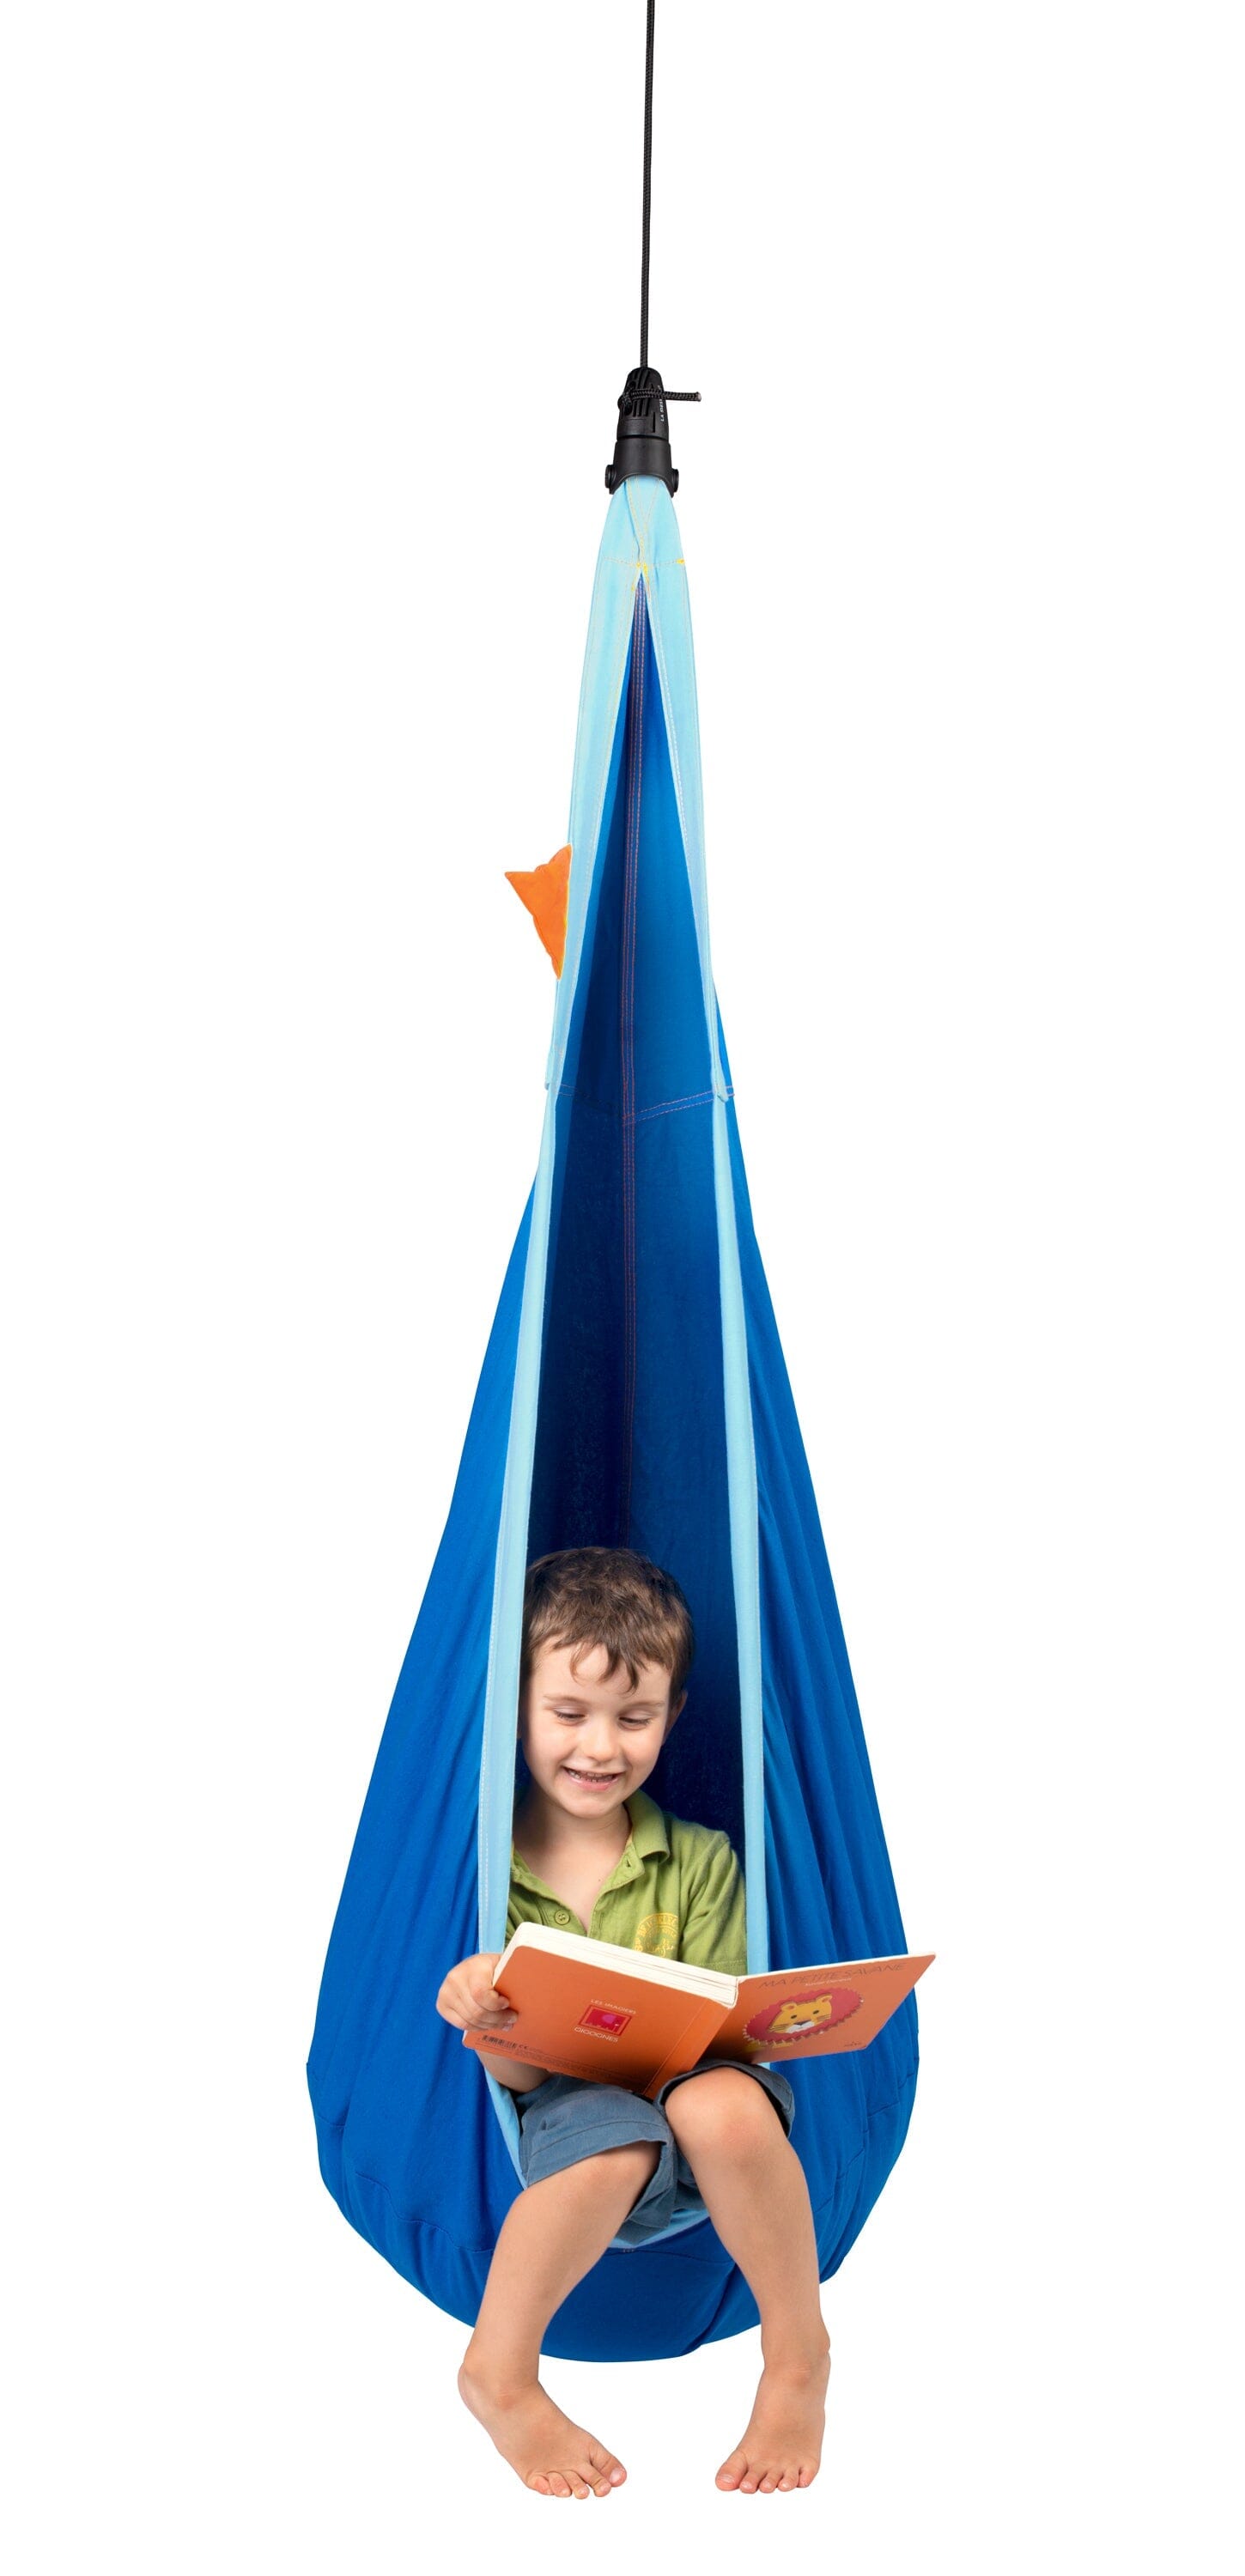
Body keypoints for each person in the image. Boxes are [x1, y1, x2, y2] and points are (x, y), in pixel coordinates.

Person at [436, 1546, 831, 2499]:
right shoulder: (485, 1872)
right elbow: (519, 2085)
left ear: (673, 1716)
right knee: (613, 2145)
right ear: (516, 1706)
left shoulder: (699, 1859)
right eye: (569, 1713)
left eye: (634, 1717)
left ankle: (797, 2355)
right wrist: (486, 2015)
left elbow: (728, 2027)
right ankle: (500, 2373)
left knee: (719, 2105)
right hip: (571, 2106)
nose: (601, 1747)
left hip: (697, 2087)